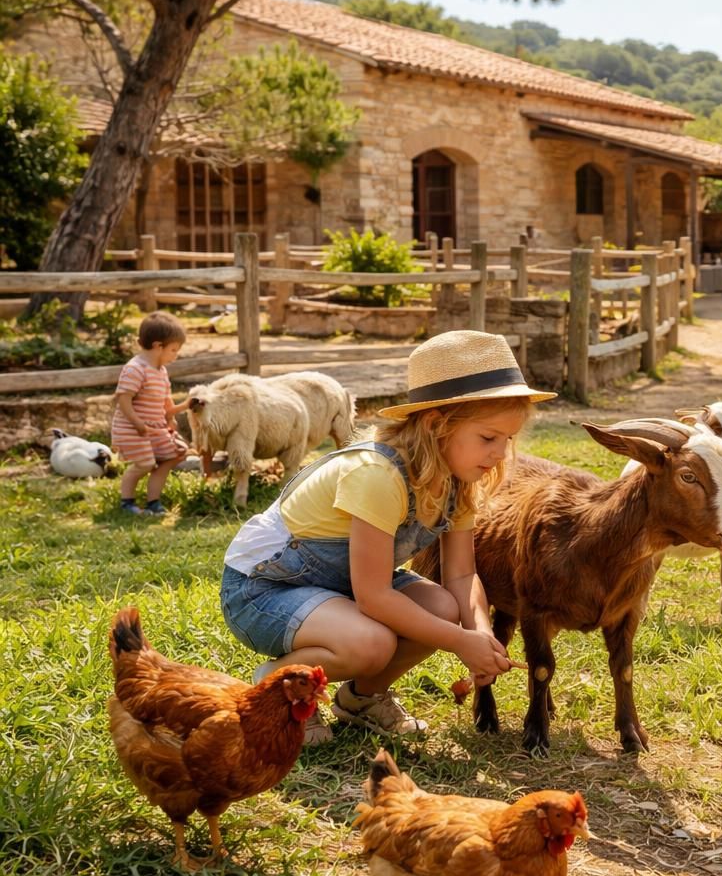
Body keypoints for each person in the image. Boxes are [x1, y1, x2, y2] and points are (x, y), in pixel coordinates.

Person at [219, 330, 556, 744]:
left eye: (508, 439)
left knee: (443, 607)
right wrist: (458, 643)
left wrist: (480, 633)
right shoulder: (377, 475)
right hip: (265, 588)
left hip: (339, 588)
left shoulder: (457, 482)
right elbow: (374, 596)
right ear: (435, 426)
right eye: (488, 438)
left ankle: (361, 698)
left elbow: (462, 576)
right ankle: (276, 683)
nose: (501, 454)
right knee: (371, 643)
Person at [111, 312, 191, 516]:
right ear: (158, 346)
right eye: (173, 350)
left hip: (155, 428)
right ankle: (126, 502)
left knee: (174, 455)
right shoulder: (135, 369)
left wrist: (172, 417)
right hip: (133, 429)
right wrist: (137, 423)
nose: (176, 355)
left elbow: (166, 399)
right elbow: (124, 399)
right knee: (145, 464)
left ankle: (153, 501)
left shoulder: (161, 371)